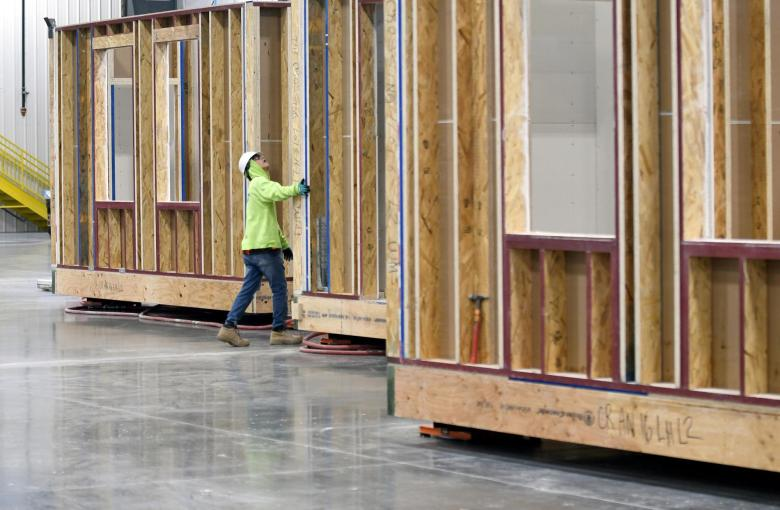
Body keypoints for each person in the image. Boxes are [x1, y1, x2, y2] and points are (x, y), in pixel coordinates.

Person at [217, 151, 310, 347]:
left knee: (248, 289)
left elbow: (270, 222)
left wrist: (284, 245)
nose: (262, 157)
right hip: (265, 250)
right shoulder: (260, 184)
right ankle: (278, 331)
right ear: (252, 166)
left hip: (252, 250)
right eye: (257, 157)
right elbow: (275, 192)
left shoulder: (256, 187)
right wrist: (296, 189)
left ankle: (228, 327)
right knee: (279, 288)